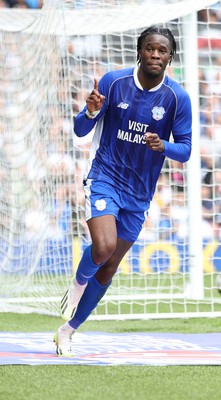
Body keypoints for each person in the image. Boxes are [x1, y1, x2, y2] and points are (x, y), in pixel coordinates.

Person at [54, 26, 192, 356]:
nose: (155, 55)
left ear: (170, 57)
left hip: (140, 193)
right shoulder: (113, 82)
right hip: (106, 177)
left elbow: (185, 150)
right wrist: (89, 111)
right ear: (139, 51)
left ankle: (67, 330)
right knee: (102, 247)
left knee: (110, 265)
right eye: (150, 49)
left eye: (162, 51)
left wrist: (164, 147)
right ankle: (76, 284)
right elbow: (80, 129)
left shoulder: (178, 98)